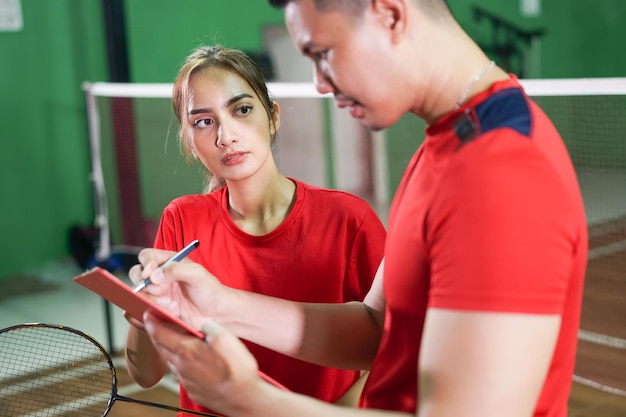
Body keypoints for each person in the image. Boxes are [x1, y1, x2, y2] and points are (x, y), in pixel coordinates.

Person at [131, 1, 588, 416]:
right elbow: (375, 329)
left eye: (322, 53)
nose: (319, 83)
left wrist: (249, 400)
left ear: (389, 14)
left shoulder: (501, 172)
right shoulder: (442, 150)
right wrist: (220, 305)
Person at [123, 44, 387, 415]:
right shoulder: (181, 218)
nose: (225, 135)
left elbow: (397, 350)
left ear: (273, 116)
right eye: (203, 121)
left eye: (242, 110)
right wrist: (142, 310)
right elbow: (145, 373)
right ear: (189, 141)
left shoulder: (348, 219)